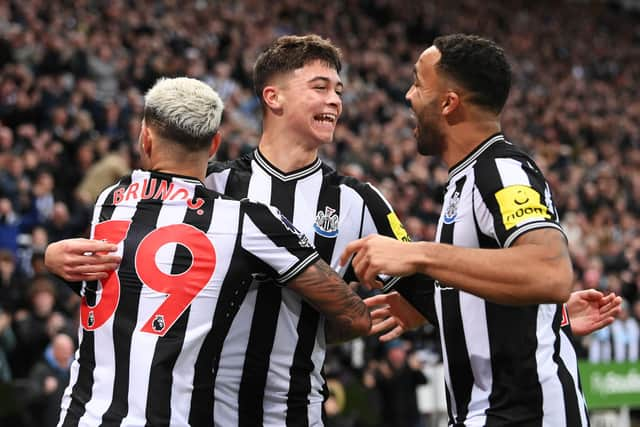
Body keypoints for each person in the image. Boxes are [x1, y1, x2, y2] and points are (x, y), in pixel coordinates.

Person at [46, 34, 621, 426]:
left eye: (340, 90)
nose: (336, 100)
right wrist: (49, 258)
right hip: (203, 411)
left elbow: (428, 300)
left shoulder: (361, 201)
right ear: (273, 97)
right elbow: (129, 281)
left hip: (297, 411)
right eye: (321, 86)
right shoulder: (214, 188)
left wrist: (549, 316)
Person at [54, 76, 370, 426]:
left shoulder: (112, 201)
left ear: (145, 138)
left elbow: (114, 290)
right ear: (215, 144)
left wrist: (50, 258)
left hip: (81, 418)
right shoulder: (247, 221)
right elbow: (353, 314)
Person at [341, 34, 592, 426]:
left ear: (448, 103)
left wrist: (419, 254)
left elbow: (550, 272)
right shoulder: (466, 179)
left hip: (529, 415)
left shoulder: (501, 172)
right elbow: (507, 280)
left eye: (418, 83)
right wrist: (442, 308)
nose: (408, 95)